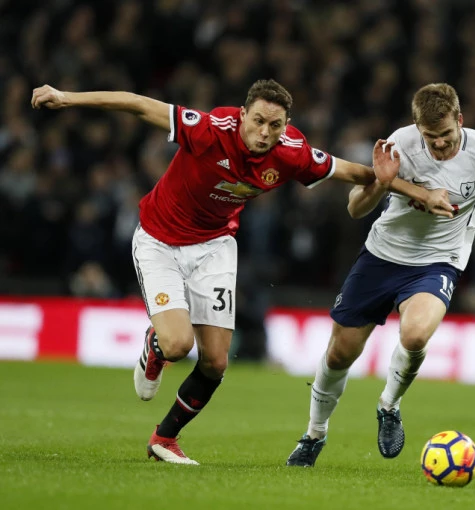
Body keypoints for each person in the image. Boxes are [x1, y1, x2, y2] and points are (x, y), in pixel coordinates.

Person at [30, 80, 453, 465]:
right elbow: (138, 103)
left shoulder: (292, 151)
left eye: (275, 125)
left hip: (214, 246)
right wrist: (67, 98)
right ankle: (156, 346)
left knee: (215, 362)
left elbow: (355, 173)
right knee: (178, 344)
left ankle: (165, 439)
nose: (265, 133)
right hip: (160, 240)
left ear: (286, 125)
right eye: (258, 121)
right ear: (243, 115)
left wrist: (416, 191)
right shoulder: (209, 129)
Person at [285, 83, 475, 467]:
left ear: (460, 120)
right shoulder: (399, 145)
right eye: (430, 136)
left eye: (446, 134)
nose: (439, 144)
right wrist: (383, 182)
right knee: (340, 353)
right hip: (382, 255)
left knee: (416, 334)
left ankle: (389, 405)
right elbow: (356, 208)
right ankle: (314, 434)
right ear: (417, 127)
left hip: (438, 261)